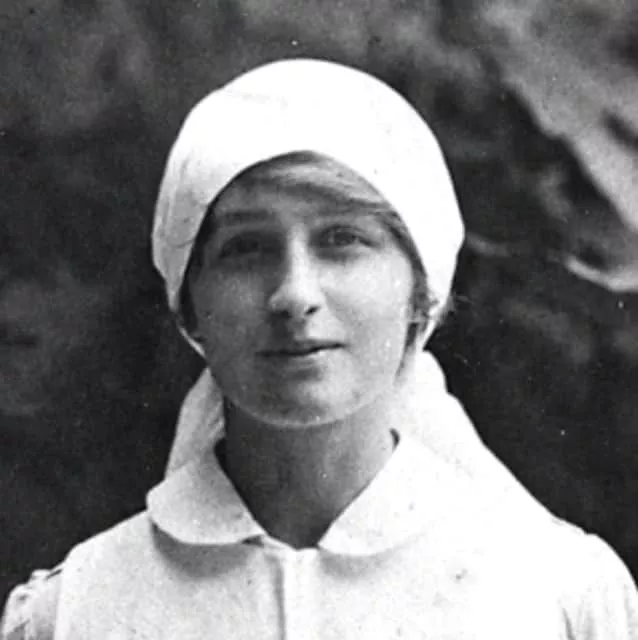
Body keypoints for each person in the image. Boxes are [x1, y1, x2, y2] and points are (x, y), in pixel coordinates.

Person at [2, 58, 637, 639]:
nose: (294, 294)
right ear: (189, 304)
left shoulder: (557, 597)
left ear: (420, 292)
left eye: (342, 240)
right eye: (247, 248)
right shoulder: (75, 612)